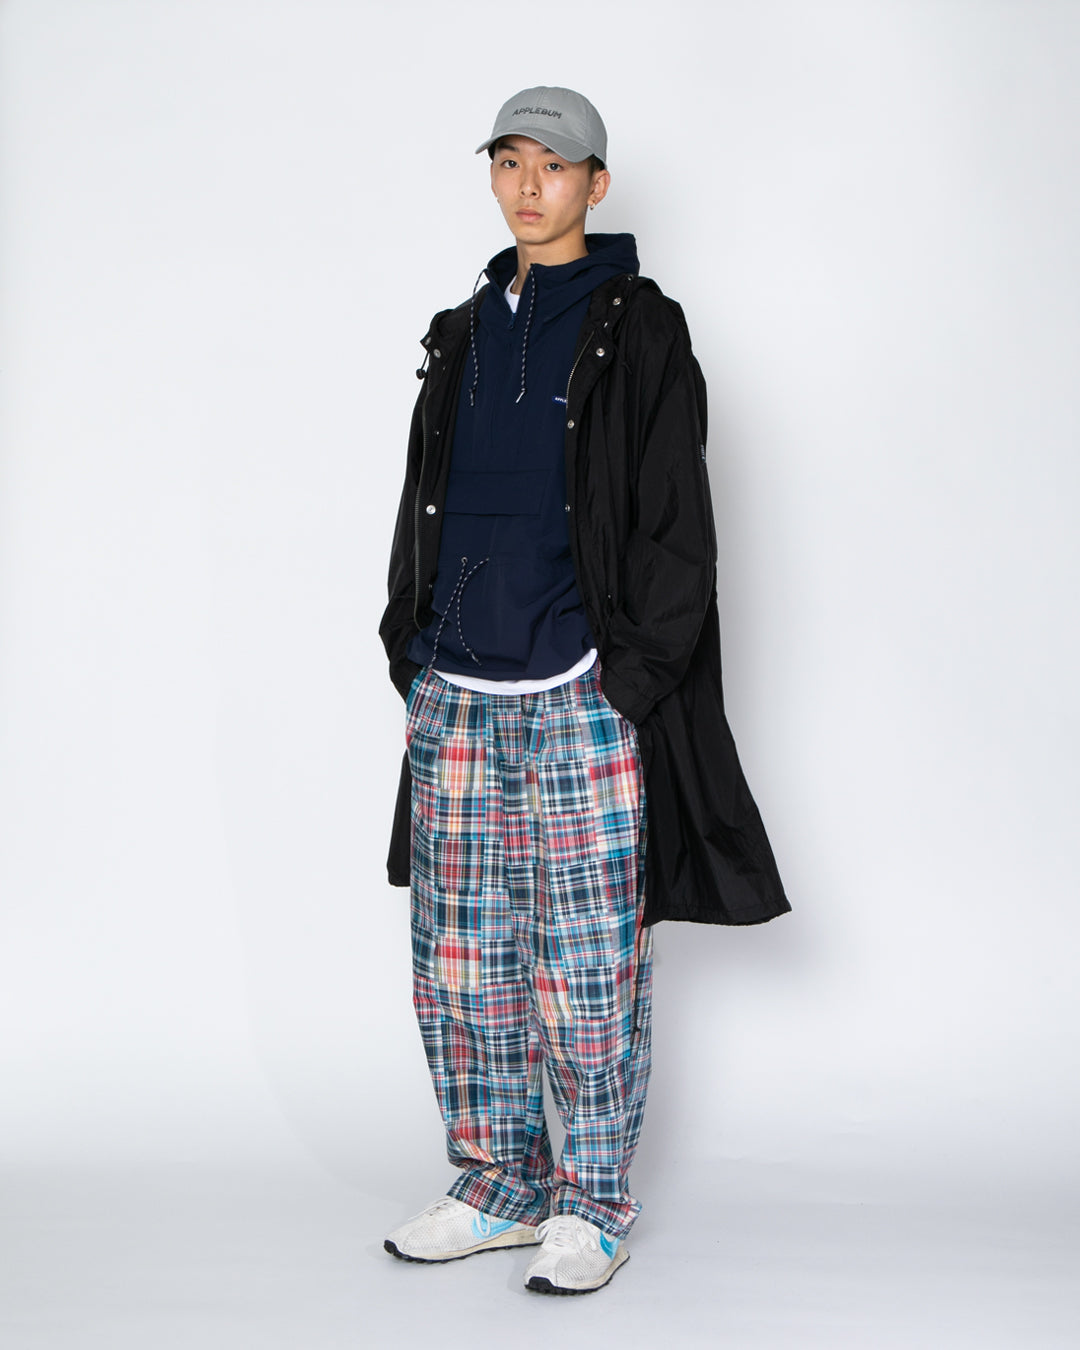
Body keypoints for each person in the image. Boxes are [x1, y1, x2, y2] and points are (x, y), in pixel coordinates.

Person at [378, 85, 790, 1296]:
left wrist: (632, 683)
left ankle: (591, 1203)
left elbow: (677, 526)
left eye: (552, 164)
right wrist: (410, 650)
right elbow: (423, 497)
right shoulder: (462, 329)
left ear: (594, 184)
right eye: (509, 160)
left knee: (587, 968)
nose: (528, 184)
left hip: (579, 693)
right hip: (458, 693)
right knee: (461, 964)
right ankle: (497, 1185)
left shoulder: (640, 328)